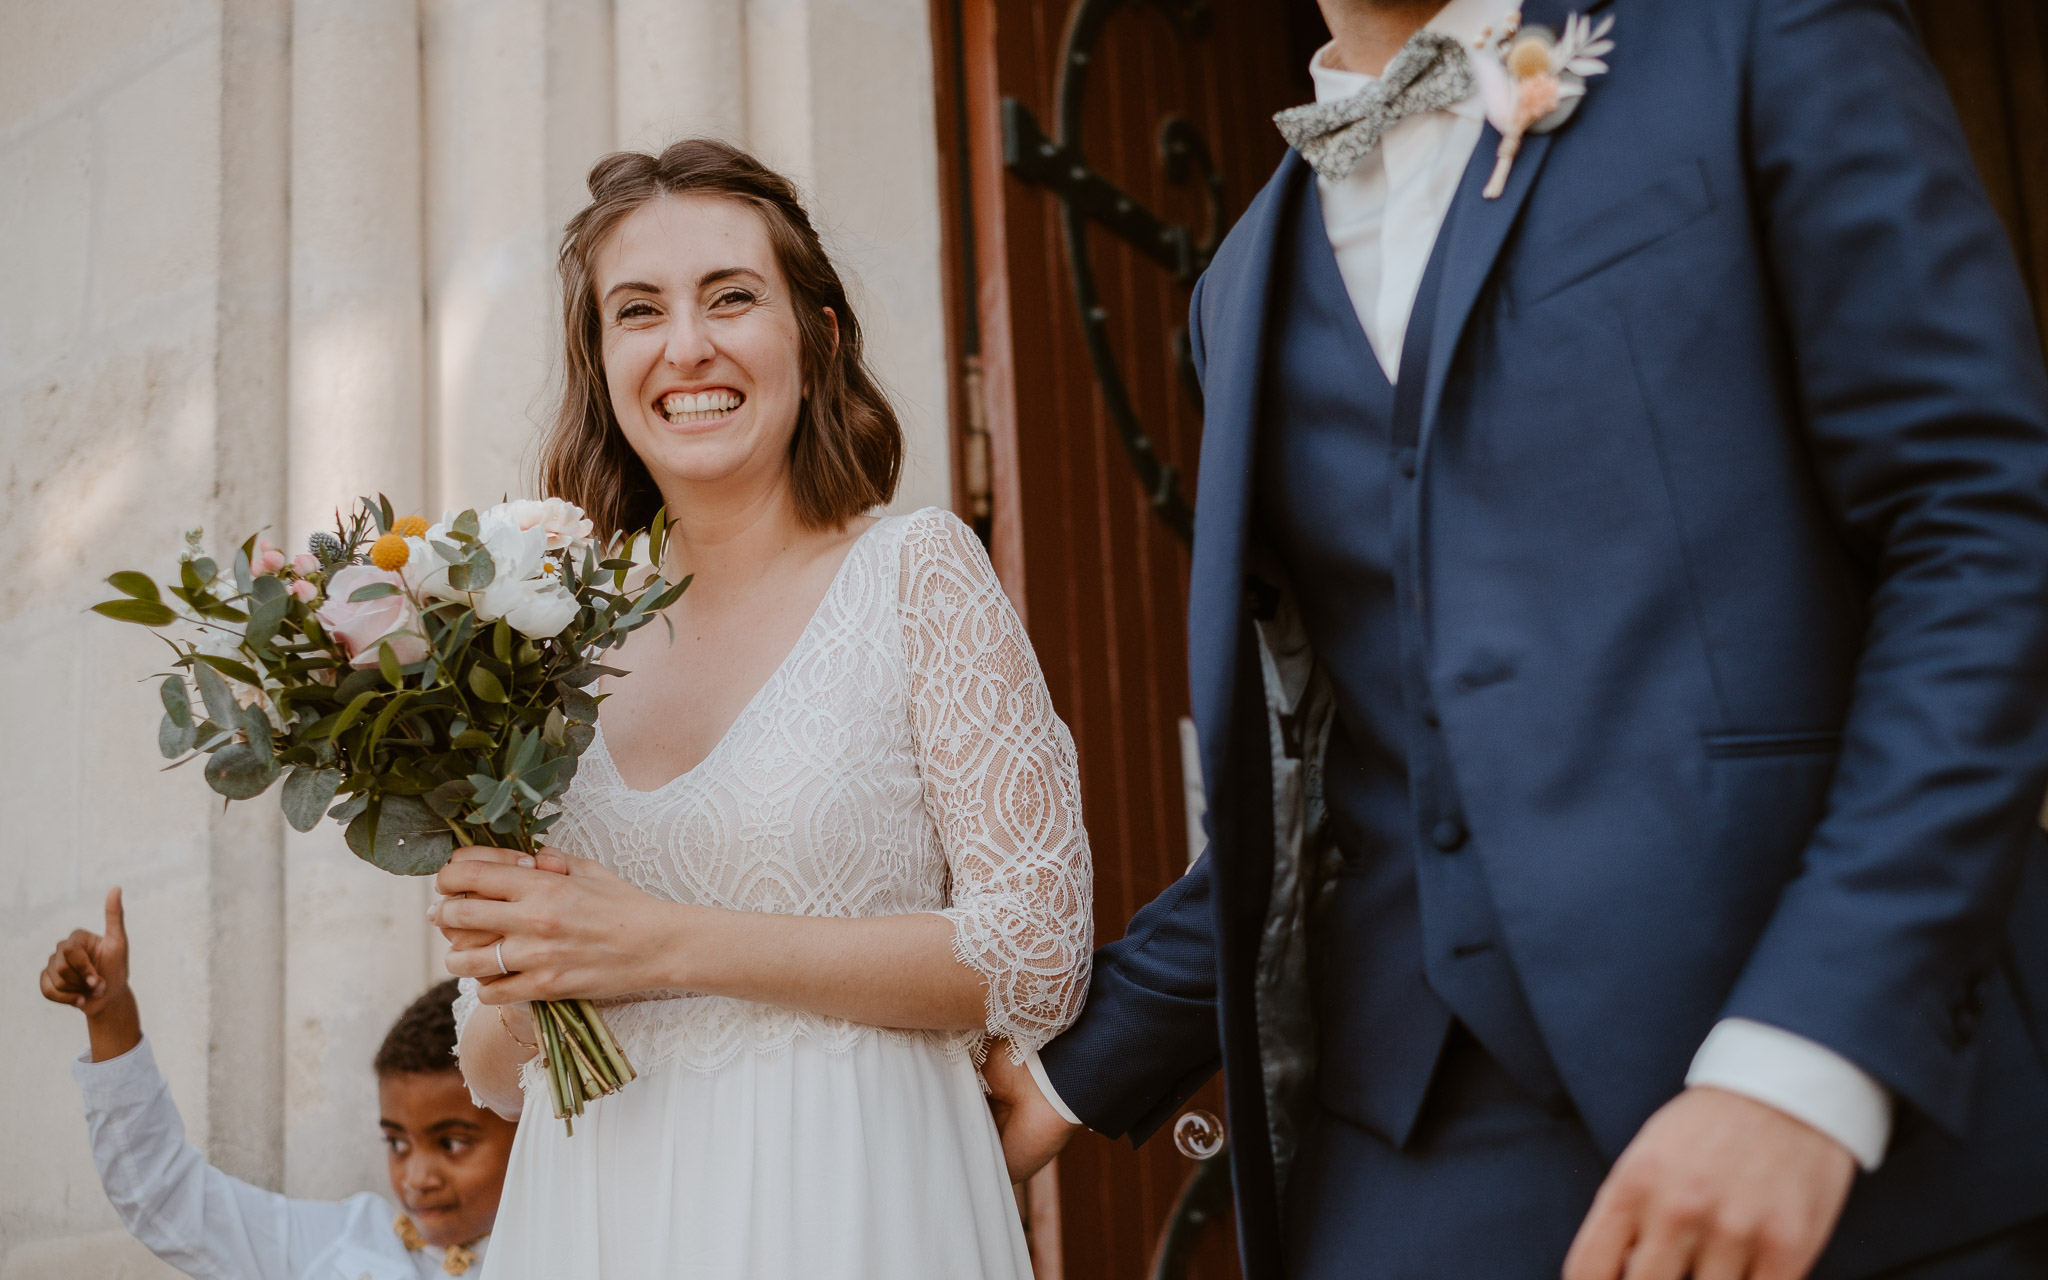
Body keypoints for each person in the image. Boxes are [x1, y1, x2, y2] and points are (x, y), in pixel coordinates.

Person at [983, 0, 2048, 1277]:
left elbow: (1979, 529)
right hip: (1413, 1149)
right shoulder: (1235, 287)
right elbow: (1334, 772)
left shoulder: (1759, 36)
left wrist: (1811, 1050)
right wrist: (1071, 1070)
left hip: (1816, 1098)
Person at [426, 138, 1093, 1279]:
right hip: (598, 1214)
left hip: (850, 1198)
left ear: (816, 334)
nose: (687, 346)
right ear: (600, 358)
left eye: (731, 296)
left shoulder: (915, 571)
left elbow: (1034, 956)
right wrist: (513, 964)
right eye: (636, 311)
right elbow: (495, 1062)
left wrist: (660, 941)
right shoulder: (541, 644)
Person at [40, 887, 515, 1278]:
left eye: (451, 1143)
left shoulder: (569, 1246)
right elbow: (168, 1201)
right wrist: (109, 1015)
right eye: (396, 1142)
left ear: (522, 1124)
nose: (416, 1179)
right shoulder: (344, 1240)